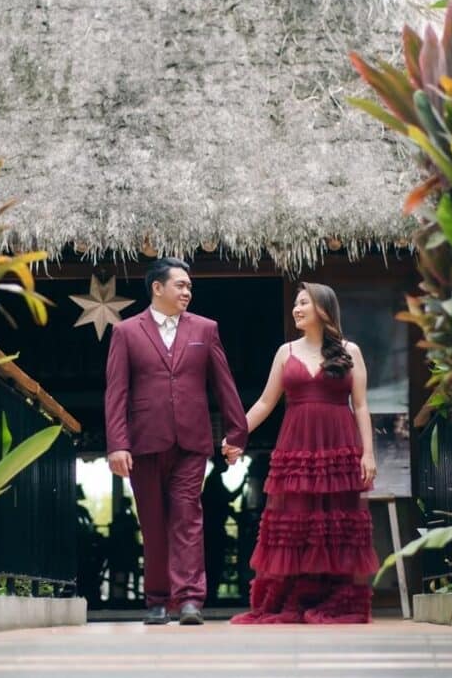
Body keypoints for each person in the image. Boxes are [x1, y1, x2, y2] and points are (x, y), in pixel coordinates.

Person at [104, 258, 248, 625]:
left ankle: (189, 600)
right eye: (180, 285)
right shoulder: (125, 331)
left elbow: (224, 384)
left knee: (187, 517)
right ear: (157, 288)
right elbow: (116, 392)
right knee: (152, 522)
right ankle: (157, 599)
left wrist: (237, 432)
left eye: (189, 286)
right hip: (144, 441)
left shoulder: (206, 328)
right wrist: (117, 444)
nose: (187, 292)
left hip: (192, 440)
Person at [228, 282, 378, 624]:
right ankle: (295, 597)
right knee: (296, 520)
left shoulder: (350, 351)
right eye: (296, 303)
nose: (296, 309)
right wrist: (237, 435)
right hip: (296, 447)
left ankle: (335, 598)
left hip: (339, 446)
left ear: (323, 309)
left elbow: (361, 405)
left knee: (336, 522)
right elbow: (265, 402)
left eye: (304, 303)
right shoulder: (285, 352)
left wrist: (368, 454)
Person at [202, 453, 244, 603]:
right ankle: (211, 593)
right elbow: (228, 498)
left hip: (212, 529)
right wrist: (244, 482)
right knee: (214, 561)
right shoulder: (214, 480)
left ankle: (211, 593)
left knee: (213, 561)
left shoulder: (214, 479)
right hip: (213, 529)